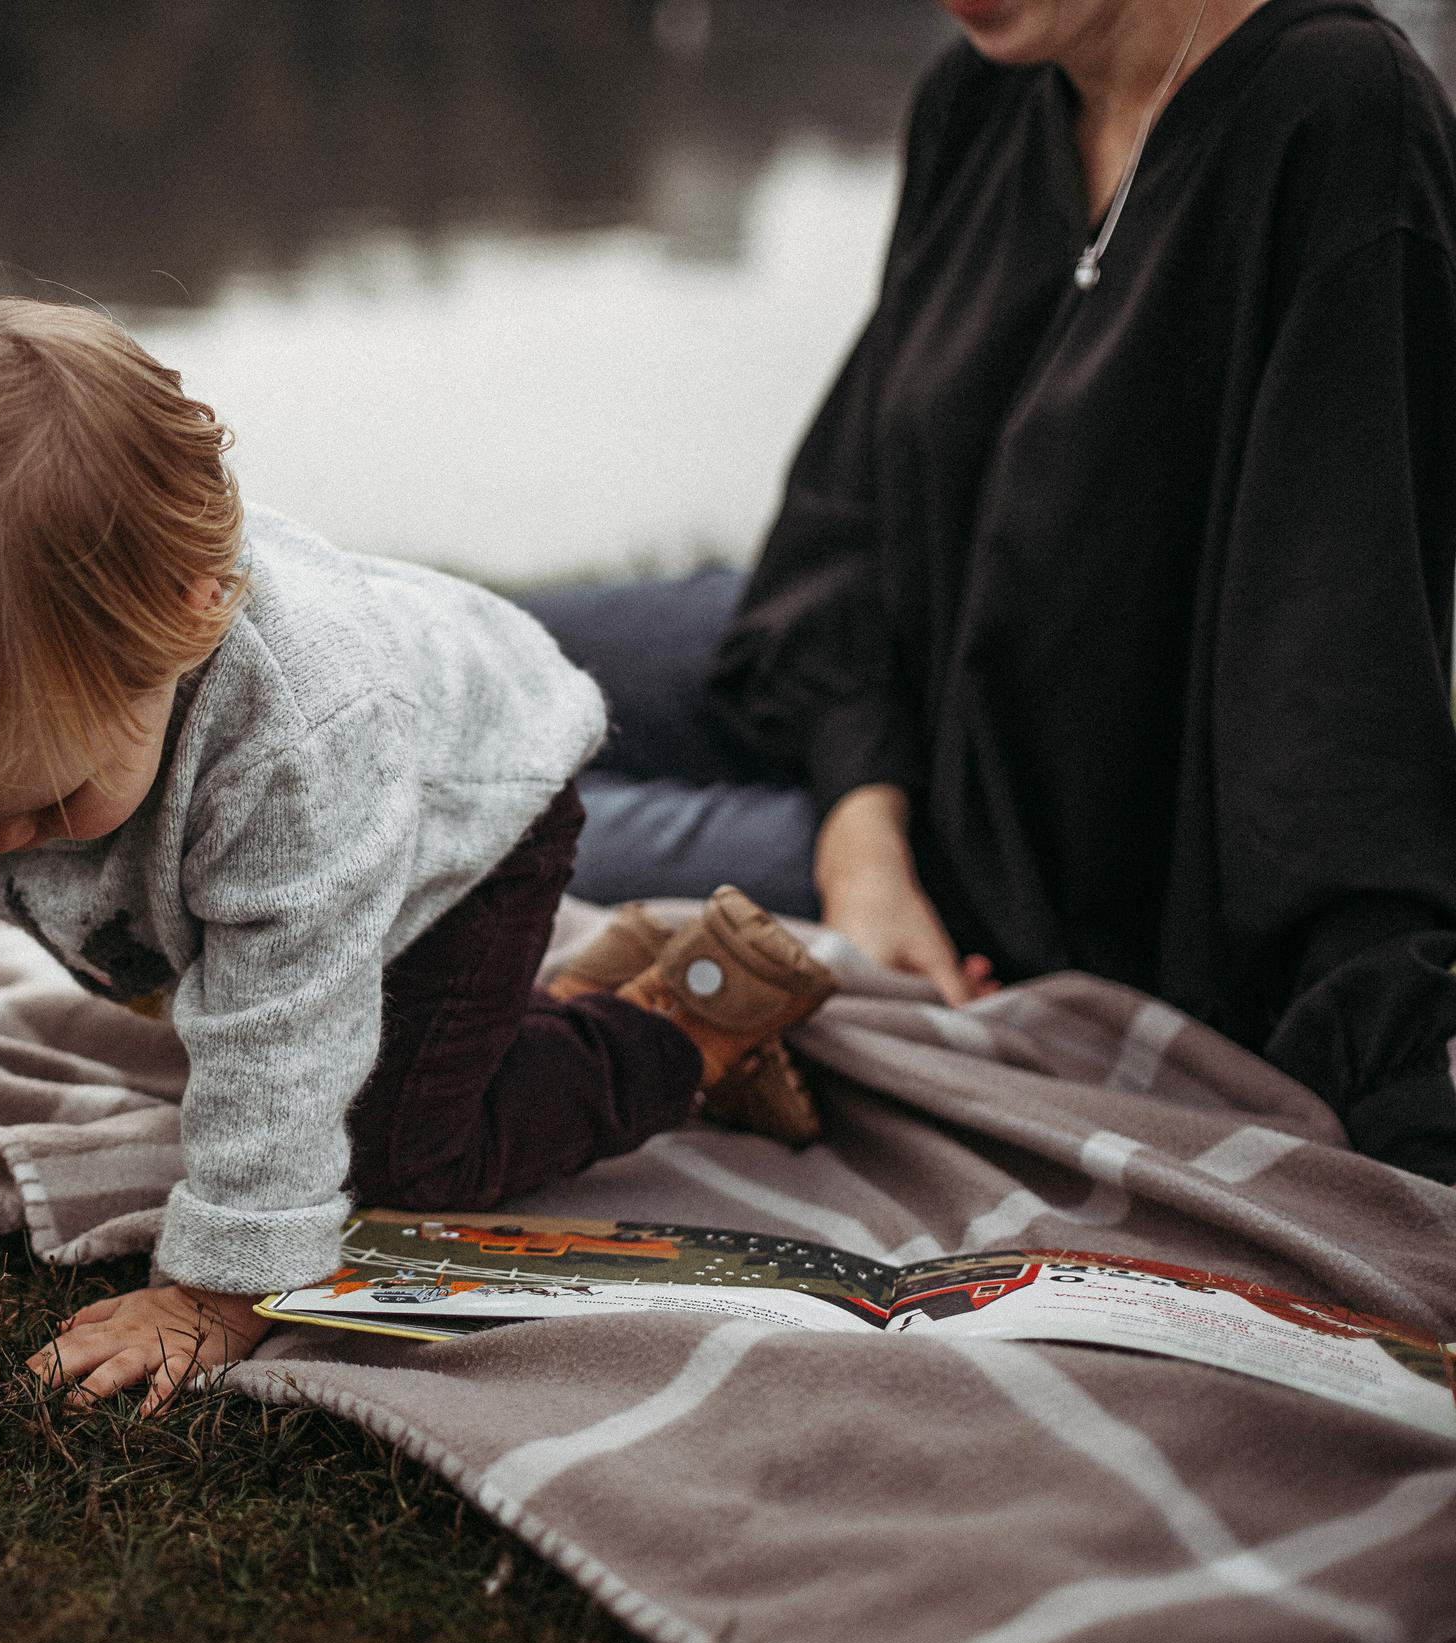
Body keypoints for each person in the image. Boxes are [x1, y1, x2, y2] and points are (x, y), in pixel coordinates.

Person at [0, 296, 839, 1410]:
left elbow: (286, 1023)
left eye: (45, 800)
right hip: (309, 843)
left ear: (192, 617)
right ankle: (573, 995)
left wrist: (221, 1286)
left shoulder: (296, 746)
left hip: (464, 838)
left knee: (401, 1153)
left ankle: (688, 1019)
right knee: (274, 1055)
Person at [526, 0, 1456, 1182]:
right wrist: (860, 832)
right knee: (426, 664)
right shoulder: (980, 94)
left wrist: (1395, 1110)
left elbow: (1335, 679)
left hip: (1001, 877)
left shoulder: (1337, 116)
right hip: (853, 675)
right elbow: (848, 507)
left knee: (457, 831)